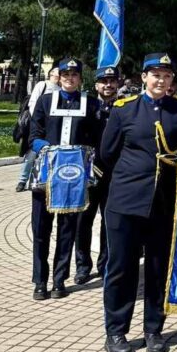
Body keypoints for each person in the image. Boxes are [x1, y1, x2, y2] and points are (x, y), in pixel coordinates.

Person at [100, 53, 177, 352]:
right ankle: (116, 332)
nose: (160, 80)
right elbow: (107, 153)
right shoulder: (124, 110)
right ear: (143, 77)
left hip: (163, 203)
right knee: (121, 269)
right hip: (126, 202)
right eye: (155, 74)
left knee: (157, 270)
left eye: (166, 75)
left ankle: (153, 329)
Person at [29, 58, 102, 300]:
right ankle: (40, 281)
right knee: (41, 229)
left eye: (74, 75)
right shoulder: (46, 100)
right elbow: (34, 132)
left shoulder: (91, 104)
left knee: (67, 230)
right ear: (58, 77)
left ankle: (59, 279)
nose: (70, 78)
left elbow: (97, 137)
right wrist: (45, 148)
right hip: (47, 176)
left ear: (81, 78)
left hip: (74, 178)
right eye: (65, 74)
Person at [74, 64, 120, 284]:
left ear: (118, 83)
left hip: (114, 174)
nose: (108, 85)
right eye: (104, 81)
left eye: (112, 81)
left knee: (108, 222)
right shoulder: (87, 107)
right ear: (96, 84)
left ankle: (105, 264)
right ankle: (83, 266)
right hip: (89, 172)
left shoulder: (124, 107)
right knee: (83, 220)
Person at [15, 65, 60, 192]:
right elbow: (33, 102)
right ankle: (22, 180)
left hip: (52, 127)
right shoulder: (43, 84)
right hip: (38, 125)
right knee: (32, 153)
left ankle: (41, 180)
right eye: (58, 71)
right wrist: (38, 121)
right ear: (51, 73)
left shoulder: (62, 88)